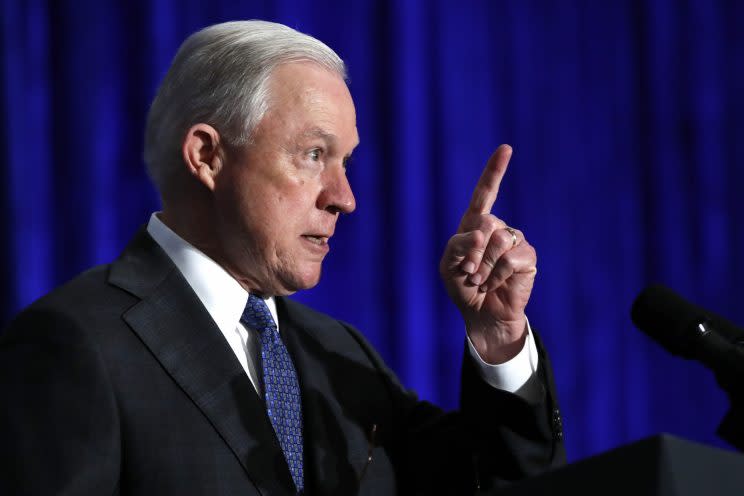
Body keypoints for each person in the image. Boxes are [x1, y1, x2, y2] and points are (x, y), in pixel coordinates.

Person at [0, 20, 565, 495]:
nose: (344, 197)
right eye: (314, 154)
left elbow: (499, 484)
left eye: (346, 161)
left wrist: (498, 339)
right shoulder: (75, 342)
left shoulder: (343, 355)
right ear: (208, 156)